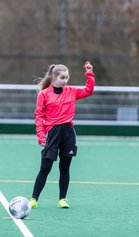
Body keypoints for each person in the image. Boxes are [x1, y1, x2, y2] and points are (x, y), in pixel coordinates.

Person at [30, 61, 95, 209]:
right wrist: (40, 135)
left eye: (67, 77)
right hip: (52, 133)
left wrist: (89, 73)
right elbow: (39, 115)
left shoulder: (71, 91)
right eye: (62, 78)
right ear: (54, 77)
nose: (65, 81)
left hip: (68, 133)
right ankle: (34, 199)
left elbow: (88, 91)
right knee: (45, 167)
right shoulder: (44, 94)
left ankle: (62, 199)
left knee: (65, 167)